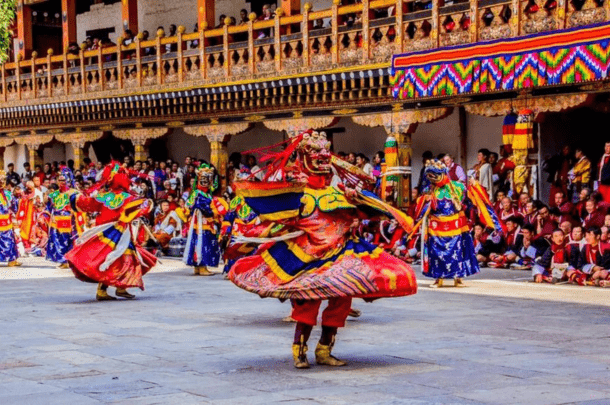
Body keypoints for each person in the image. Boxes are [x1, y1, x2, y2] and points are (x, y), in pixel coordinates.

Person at [228, 130, 417, 369]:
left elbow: (370, 213)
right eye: (316, 152)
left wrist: (358, 199)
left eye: (325, 150)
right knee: (309, 304)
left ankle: (325, 349)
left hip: (342, 256)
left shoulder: (339, 192)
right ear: (304, 157)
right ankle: (300, 350)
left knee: (342, 301)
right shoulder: (298, 196)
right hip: (309, 257)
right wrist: (246, 238)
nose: (323, 155)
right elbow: (272, 224)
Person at [65, 162, 157, 301]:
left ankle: (121, 287)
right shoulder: (127, 197)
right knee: (116, 259)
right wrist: (147, 205)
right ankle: (103, 290)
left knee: (115, 258)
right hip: (117, 232)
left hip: (108, 232)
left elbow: (87, 204)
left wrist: (75, 197)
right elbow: (137, 211)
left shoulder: (104, 196)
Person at [416, 160, 502, 286]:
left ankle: (458, 278)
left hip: (455, 226)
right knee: (436, 254)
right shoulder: (429, 190)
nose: (432, 179)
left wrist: (475, 188)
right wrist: (425, 201)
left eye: (434, 175)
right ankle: (438, 278)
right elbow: (422, 209)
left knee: (457, 252)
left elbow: (470, 203)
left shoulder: (458, 187)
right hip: (436, 228)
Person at [183, 163, 228, 276]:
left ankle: (199, 267)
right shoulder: (198, 193)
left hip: (204, 223)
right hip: (201, 223)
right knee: (203, 243)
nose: (206, 182)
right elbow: (190, 206)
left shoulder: (206, 194)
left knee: (203, 242)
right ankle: (201, 267)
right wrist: (212, 212)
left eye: (208, 179)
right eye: (203, 179)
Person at [46, 168, 79, 268]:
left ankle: (70, 260)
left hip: (70, 221)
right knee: (57, 241)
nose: (62, 182)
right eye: (59, 180)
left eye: (64, 180)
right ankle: (63, 261)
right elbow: (48, 208)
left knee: (70, 241)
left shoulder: (74, 193)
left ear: (68, 180)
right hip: (56, 221)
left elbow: (79, 207)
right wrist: (48, 217)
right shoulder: (53, 194)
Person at [0, 171, 22, 267]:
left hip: (7, 221)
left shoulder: (8, 194)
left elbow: (14, 208)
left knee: (10, 240)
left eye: (3, 179)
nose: (1, 181)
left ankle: (12, 259)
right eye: (0, 179)